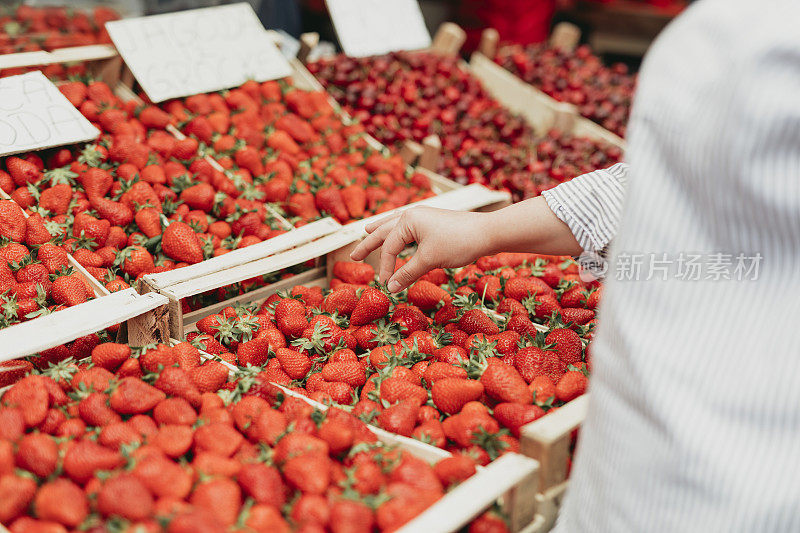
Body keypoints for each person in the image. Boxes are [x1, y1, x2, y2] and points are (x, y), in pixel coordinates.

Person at [351, 0, 800, 530]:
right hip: (628, 466)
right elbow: (664, 187)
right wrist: (483, 230)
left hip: (748, 483)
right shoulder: (746, 26)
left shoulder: (769, 44)